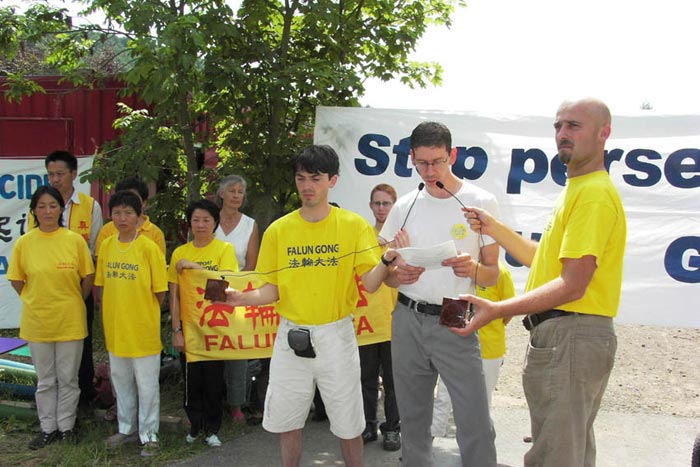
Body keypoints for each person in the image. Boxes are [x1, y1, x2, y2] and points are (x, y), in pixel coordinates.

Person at [459, 98, 626, 467]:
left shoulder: (593, 194)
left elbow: (572, 284)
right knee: (567, 452)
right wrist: (495, 228)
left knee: (555, 456)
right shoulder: (579, 188)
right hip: (569, 337)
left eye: (574, 126)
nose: (562, 134)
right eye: (558, 126)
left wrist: (498, 309)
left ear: (604, 133)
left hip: (571, 335)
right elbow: (545, 261)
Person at [223, 145, 401, 467]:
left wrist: (387, 261)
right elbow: (271, 289)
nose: (306, 186)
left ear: (332, 181)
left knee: (349, 424)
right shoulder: (279, 230)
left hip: (337, 337)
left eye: (315, 179)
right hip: (291, 338)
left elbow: (371, 283)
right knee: (288, 422)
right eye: (301, 178)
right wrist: (240, 298)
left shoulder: (352, 225)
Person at [378, 121, 499, 466]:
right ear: (411, 158)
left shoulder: (480, 202)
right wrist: (398, 274)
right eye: (422, 163)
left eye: (437, 162)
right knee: (413, 417)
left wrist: (471, 269)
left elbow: (492, 274)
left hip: (454, 312)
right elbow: (388, 277)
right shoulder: (405, 206)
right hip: (407, 314)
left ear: (453, 155)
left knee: (473, 417)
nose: (430, 172)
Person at [7, 186, 95, 449]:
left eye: (53, 206)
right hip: (38, 321)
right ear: (34, 211)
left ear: (61, 209)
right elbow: (16, 279)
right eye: (42, 206)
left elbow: (87, 277)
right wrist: (35, 299)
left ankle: (66, 427)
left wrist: (73, 299)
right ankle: (48, 428)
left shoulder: (74, 241)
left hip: (70, 319)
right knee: (45, 380)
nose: (47, 211)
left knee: (68, 378)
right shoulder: (25, 243)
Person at [28, 150, 103, 410]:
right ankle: (50, 407)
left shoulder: (90, 206)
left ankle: (83, 402)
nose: (55, 179)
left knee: (81, 346)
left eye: (60, 174)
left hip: (78, 288)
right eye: (50, 174)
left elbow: (94, 250)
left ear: (73, 174)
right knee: (47, 352)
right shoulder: (39, 206)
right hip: (47, 292)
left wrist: (81, 294)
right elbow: (31, 248)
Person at [95, 191, 168, 457]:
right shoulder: (106, 246)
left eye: (128, 212)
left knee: (147, 385)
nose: (122, 218)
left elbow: (160, 292)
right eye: (117, 212)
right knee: (121, 382)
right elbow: (102, 286)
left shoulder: (149, 248)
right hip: (116, 329)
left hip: (143, 330)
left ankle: (149, 435)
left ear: (139, 216)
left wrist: (143, 314)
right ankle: (126, 428)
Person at [169, 199, 238, 448]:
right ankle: (194, 426)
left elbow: (223, 289)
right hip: (189, 328)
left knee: (213, 380)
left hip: (215, 327)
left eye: (206, 220)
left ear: (215, 223)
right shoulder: (179, 253)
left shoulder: (224, 249)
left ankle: (212, 429)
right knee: (191, 380)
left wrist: (194, 267)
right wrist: (176, 330)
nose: (200, 225)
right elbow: (174, 295)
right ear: (189, 223)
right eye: (196, 220)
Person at [431, 262, 515, 438]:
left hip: (489, 348)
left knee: (482, 401)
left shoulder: (500, 272)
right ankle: (430, 439)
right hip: (454, 345)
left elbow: (508, 309)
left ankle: (481, 445)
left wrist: (491, 327)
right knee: (444, 397)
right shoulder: (456, 266)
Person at [215, 175, 260, 424]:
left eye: (240, 192)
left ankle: (236, 404)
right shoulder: (208, 219)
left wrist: (235, 289)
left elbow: (251, 264)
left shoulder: (250, 224)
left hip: (238, 292)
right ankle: (213, 401)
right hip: (208, 292)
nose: (236, 195)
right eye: (231, 190)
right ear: (221, 193)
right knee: (210, 345)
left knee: (236, 349)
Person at [359, 184, 401, 451]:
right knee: (366, 379)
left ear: (394, 206)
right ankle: (368, 426)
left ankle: (393, 429)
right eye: (377, 203)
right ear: (370, 206)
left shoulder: (404, 238)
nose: (382, 208)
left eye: (387, 203)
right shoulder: (363, 238)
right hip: (365, 320)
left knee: (394, 381)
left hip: (396, 321)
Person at [95, 176, 166, 258]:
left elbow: (158, 263)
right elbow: (100, 261)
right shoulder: (107, 230)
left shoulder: (155, 233)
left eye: (133, 198)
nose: (128, 202)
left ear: (144, 203)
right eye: (123, 198)